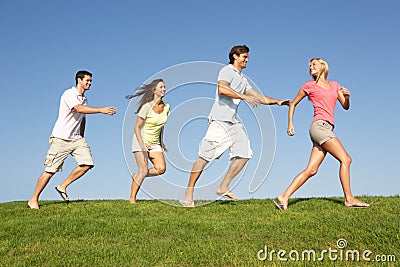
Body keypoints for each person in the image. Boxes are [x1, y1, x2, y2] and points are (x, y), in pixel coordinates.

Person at [181, 45, 290, 207]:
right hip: (219, 120)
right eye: (244, 57)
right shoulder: (227, 71)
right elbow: (222, 89)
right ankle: (188, 193)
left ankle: (223, 186)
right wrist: (244, 97)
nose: (247, 60)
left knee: (245, 154)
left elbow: (258, 96)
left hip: (233, 122)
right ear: (235, 57)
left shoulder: (242, 78)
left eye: (247, 57)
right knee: (205, 157)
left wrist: (277, 102)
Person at [274, 58, 369, 210]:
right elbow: (293, 103)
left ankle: (284, 196)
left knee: (312, 170)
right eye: (309, 66)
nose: (311, 67)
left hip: (327, 128)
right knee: (346, 159)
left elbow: (345, 106)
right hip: (319, 127)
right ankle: (349, 198)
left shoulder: (334, 85)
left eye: (314, 65)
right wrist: (290, 123)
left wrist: (348, 97)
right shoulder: (309, 86)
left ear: (323, 66)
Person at [27, 70, 117, 209]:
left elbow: (82, 118)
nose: (89, 83)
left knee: (87, 163)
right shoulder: (69, 94)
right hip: (61, 138)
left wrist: (81, 135)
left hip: (76, 140)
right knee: (50, 171)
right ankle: (33, 200)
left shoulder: (85, 99)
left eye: (91, 81)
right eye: (87, 80)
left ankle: (62, 186)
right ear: (79, 80)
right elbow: (79, 109)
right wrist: (101, 110)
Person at [126, 79, 170, 204]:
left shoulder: (166, 107)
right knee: (144, 170)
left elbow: (161, 126)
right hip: (140, 141)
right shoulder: (146, 107)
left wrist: (161, 142)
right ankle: (132, 199)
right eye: (161, 87)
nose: (163, 89)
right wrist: (142, 144)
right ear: (154, 90)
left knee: (161, 169)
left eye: (164, 87)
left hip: (154, 143)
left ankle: (137, 176)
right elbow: (137, 127)